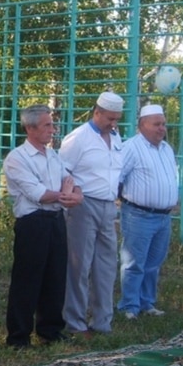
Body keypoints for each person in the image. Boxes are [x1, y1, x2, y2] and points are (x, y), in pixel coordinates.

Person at [3, 104, 84, 348]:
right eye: (47, 125)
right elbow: (38, 194)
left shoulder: (52, 155)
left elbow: (69, 180)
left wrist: (75, 193)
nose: (52, 129)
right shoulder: (17, 158)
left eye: (52, 124)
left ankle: (50, 330)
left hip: (55, 220)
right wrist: (65, 194)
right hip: (33, 222)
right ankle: (19, 336)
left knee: (55, 276)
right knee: (27, 279)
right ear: (30, 128)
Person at [59, 91, 124, 336]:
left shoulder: (115, 137)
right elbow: (62, 170)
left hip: (108, 206)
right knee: (79, 265)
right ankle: (75, 322)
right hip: (83, 205)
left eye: (116, 119)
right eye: (109, 118)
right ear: (97, 112)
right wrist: (74, 192)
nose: (113, 123)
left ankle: (102, 321)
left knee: (106, 265)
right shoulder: (78, 138)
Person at [117, 104, 178, 319]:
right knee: (133, 263)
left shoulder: (166, 148)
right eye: (156, 124)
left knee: (153, 263)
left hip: (163, 216)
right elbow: (117, 178)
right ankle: (129, 306)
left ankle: (146, 303)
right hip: (138, 215)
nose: (162, 128)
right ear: (142, 125)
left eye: (163, 124)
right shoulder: (130, 148)